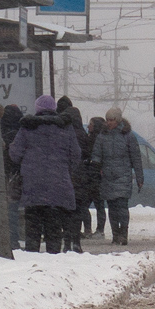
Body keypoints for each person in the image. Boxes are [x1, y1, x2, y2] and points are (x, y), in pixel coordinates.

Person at [9, 94, 81, 253]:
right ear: (54, 109)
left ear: (37, 109)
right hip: (57, 185)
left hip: (33, 185)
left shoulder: (28, 127)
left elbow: (15, 154)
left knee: (33, 229)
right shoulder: (65, 127)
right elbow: (76, 155)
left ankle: (32, 256)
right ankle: (53, 257)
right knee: (54, 229)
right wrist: (63, 170)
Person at [90, 106, 143, 245]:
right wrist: (96, 168)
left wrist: (139, 177)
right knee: (112, 207)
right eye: (107, 120)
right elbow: (96, 155)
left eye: (111, 120)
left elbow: (136, 157)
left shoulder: (128, 136)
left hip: (123, 176)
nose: (109, 122)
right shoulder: (102, 136)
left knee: (122, 206)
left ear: (118, 120)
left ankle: (123, 234)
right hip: (107, 176)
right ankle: (115, 234)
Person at [61, 104, 92, 253]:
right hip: (81, 177)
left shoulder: (63, 134)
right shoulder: (84, 135)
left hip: (65, 176)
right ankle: (76, 241)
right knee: (78, 210)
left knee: (66, 211)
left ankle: (67, 242)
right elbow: (88, 154)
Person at [0, 104, 24, 250]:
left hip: (7, 174)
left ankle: (12, 239)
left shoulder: (1, 133)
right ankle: (21, 239)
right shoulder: (22, 132)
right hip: (22, 173)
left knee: (11, 209)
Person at [85, 116, 107, 237]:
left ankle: (91, 229)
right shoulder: (100, 139)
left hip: (93, 176)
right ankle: (99, 229)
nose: (88, 126)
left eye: (91, 124)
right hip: (95, 176)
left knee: (87, 204)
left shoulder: (93, 140)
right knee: (98, 205)